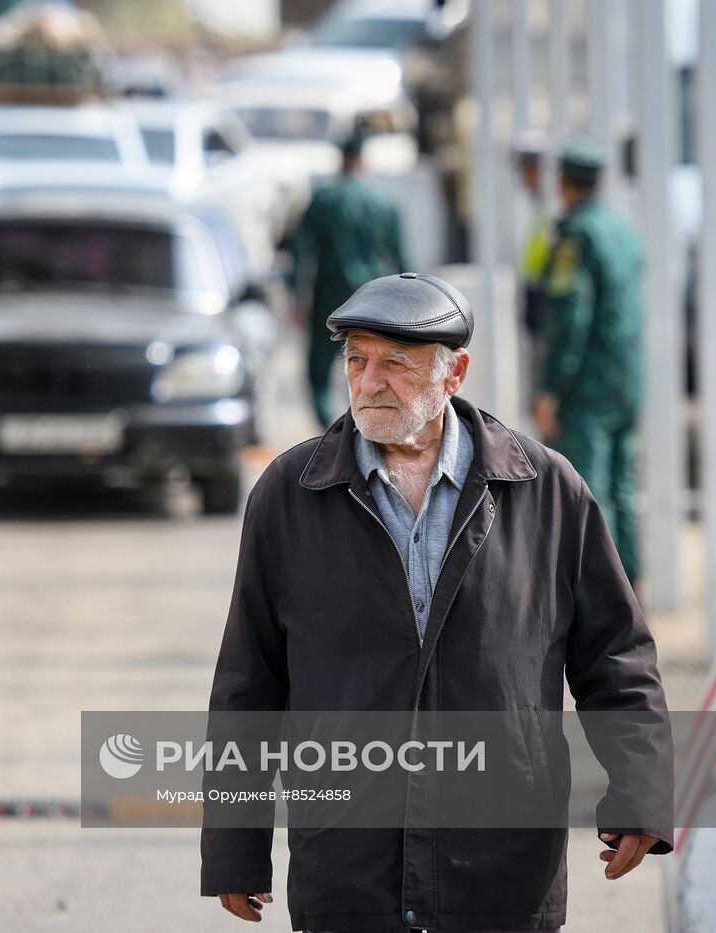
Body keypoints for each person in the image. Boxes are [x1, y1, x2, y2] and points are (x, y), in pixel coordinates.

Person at [201, 273, 671, 931]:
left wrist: (642, 791)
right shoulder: (289, 494)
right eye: (356, 359)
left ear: (455, 375)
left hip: (503, 871)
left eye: (396, 363)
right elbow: (249, 685)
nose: (368, 381)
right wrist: (234, 843)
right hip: (347, 871)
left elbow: (616, 659)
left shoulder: (547, 491)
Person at [533, 140, 644, 585]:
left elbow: (570, 319)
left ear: (563, 183)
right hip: (627, 379)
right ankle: (632, 588)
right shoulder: (624, 231)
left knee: (588, 492)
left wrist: (551, 388)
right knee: (623, 487)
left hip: (586, 384)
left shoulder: (575, 236)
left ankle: (605, 598)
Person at [290, 132, 407, 430]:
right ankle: (366, 427)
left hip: (330, 294)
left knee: (319, 369)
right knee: (375, 366)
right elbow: (401, 257)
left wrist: (296, 297)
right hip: (374, 298)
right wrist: (407, 303)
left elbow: (301, 252)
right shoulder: (384, 203)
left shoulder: (325, 200)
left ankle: (330, 430)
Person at [513, 130, 554, 338]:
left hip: (549, 290)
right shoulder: (536, 201)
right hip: (535, 286)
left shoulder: (553, 203)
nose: (524, 175)